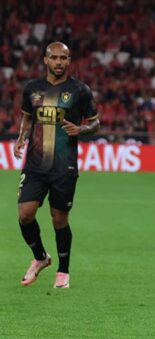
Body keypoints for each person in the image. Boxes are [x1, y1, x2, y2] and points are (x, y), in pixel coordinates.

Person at [14, 42, 100, 289]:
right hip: (35, 164)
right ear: (45, 60)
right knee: (25, 214)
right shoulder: (32, 89)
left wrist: (81, 128)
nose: (59, 62)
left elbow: (96, 123)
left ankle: (63, 271)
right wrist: (21, 137)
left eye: (64, 58)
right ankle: (40, 257)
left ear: (69, 61)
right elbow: (27, 116)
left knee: (59, 219)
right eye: (55, 58)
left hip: (64, 166)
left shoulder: (80, 90)